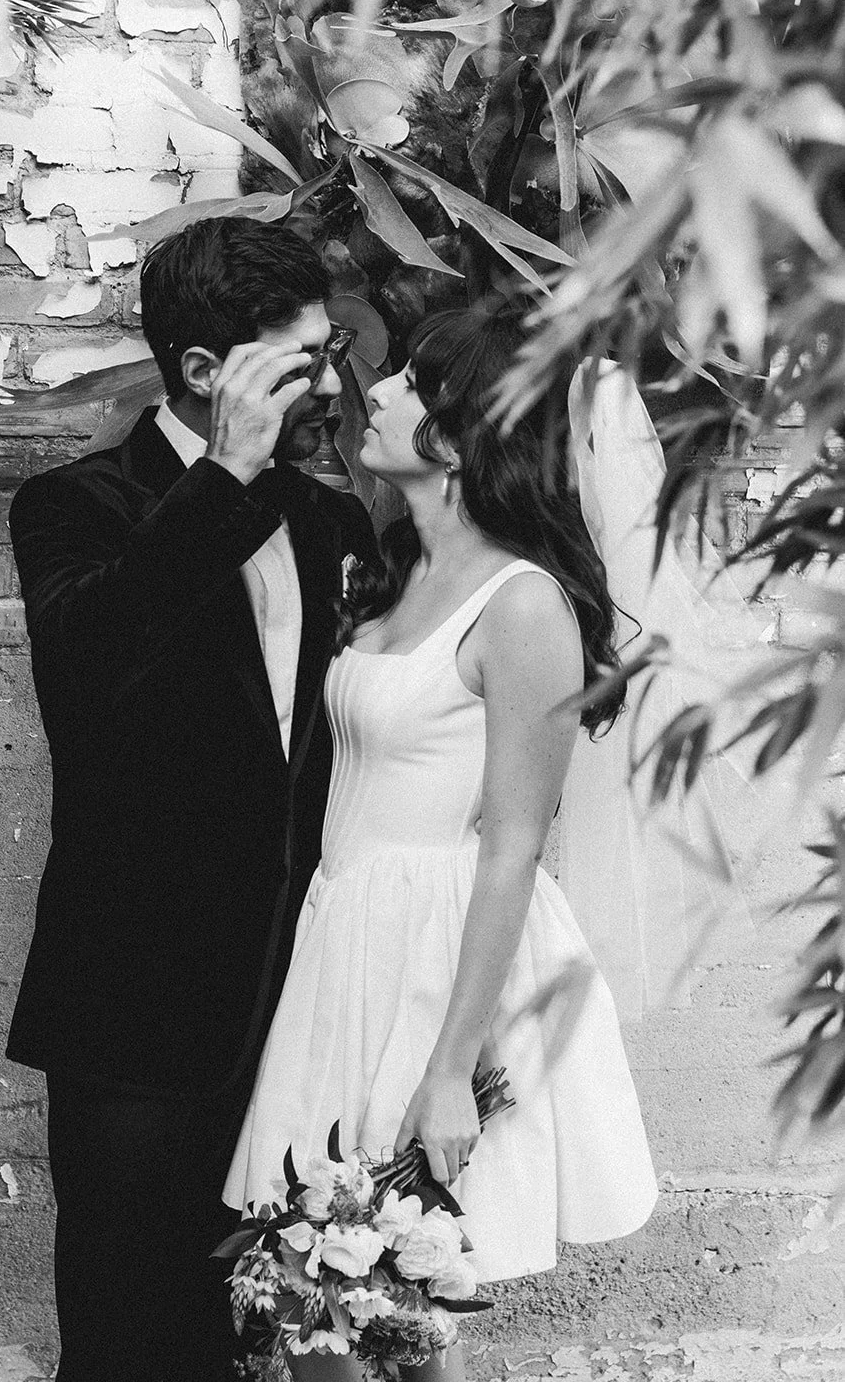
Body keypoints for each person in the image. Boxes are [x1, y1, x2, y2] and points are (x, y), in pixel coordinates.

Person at [224, 307, 660, 1378]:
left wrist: (452, 1068)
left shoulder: (523, 609)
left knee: (393, 1302)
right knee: (319, 1295)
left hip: (439, 960)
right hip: (347, 941)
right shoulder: (396, 570)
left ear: (463, 435)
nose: (375, 391)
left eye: (412, 382)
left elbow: (514, 845)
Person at [5, 218, 377, 1382]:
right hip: (134, 998)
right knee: (123, 1328)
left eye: (328, 353)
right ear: (207, 373)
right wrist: (225, 477)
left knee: (268, 1333)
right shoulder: (74, 505)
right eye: (297, 361)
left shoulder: (329, 523)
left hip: (297, 996)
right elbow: (85, 671)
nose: (329, 384)